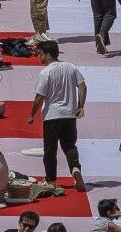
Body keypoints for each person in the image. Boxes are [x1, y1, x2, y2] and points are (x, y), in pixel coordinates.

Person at [27, 40, 86, 191]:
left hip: (52, 117)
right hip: (69, 116)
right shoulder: (71, 67)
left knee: (50, 150)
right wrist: (80, 106)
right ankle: (75, 168)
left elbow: (39, 97)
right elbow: (82, 87)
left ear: (47, 55)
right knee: (69, 145)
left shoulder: (45, 72)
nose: (39, 57)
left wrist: (32, 114)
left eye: (40, 54)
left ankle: (51, 180)